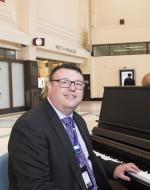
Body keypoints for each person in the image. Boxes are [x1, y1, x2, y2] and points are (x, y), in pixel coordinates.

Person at [8, 63, 139, 190]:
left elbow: (87, 159)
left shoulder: (77, 119)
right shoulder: (29, 126)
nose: (72, 88)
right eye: (64, 82)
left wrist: (114, 168)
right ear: (50, 87)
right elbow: (35, 186)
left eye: (78, 84)